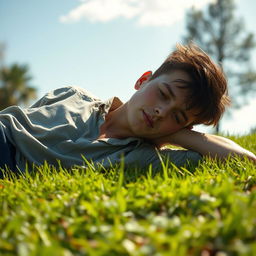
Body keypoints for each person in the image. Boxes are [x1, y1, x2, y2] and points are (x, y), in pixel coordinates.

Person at [0, 43, 255, 177]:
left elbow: (246, 161)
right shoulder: (73, 95)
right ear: (143, 80)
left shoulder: (142, 157)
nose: (160, 112)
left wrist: (176, 133)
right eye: (164, 94)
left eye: (177, 116)